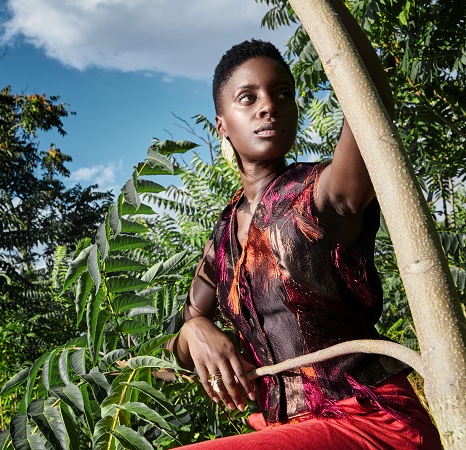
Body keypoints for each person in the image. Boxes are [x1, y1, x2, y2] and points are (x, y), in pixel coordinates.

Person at [168, 1, 441, 448]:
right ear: (222, 125)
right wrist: (195, 330)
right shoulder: (223, 237)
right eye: (248, 97)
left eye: (283, 93)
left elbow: (370, 104)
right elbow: (190, 317)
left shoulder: (322, 195)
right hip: (289, 432)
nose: (268, 107)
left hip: (371, 423)